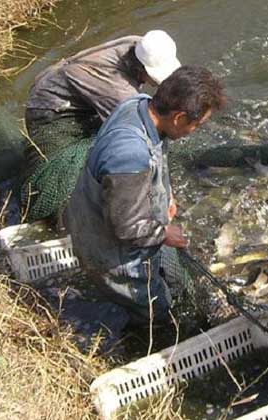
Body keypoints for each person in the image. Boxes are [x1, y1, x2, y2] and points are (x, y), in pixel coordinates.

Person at [65, 65, 226, 323]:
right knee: (156, 311)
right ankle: (142, 335)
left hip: (111, 219)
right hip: (112, 253)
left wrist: (167, 192)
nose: (194, 131)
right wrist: (164, 233)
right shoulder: (129, 155)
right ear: (179, 118)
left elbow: (157, 154)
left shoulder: (140, 105)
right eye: (196, 124)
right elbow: (126, 229)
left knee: (172, 284)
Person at [25, 30, 181, 137]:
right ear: (143, 70)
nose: (158, 83)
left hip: (57, 81)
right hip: (47, 109)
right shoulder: (118, 91)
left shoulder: (138, 44)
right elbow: (134, 131)